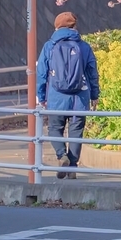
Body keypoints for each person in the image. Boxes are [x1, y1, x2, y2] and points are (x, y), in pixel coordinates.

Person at [36, 11, 100, 179]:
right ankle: (72, 168)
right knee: (76, 132)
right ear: (74, 26)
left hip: (56, 97)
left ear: (57, 27)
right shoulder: (84, 46)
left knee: (54, 129)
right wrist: (94, 95)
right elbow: (92, 72)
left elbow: (41, 73)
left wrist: (41, 96)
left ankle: (61, 155)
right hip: (79, 98)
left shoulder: (49, 46)